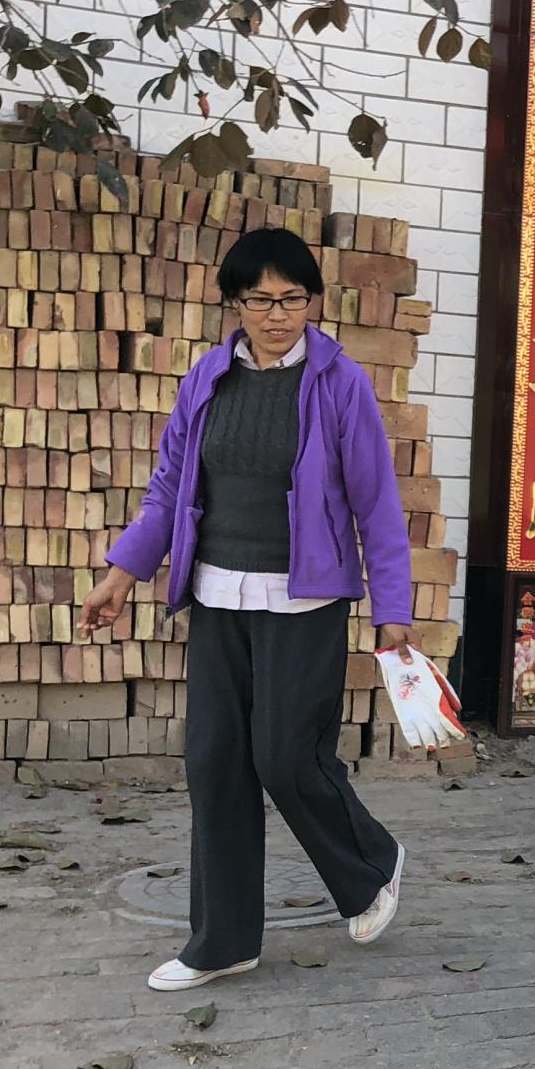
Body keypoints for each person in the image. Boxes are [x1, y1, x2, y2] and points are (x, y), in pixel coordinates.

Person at [78, 227, 414, 990]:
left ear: (312, 302)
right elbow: (170, 488)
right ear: (234, 303)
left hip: (307, 601)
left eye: (293, 297)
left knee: (288, 759)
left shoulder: (340, 383)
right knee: (215, 763)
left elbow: (377, 504)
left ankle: (371, 864)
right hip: (218, 598)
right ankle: (223, 939)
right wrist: (122, 572)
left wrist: (393, 608)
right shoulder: (206, 379)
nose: (278, 313)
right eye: (260, 299)